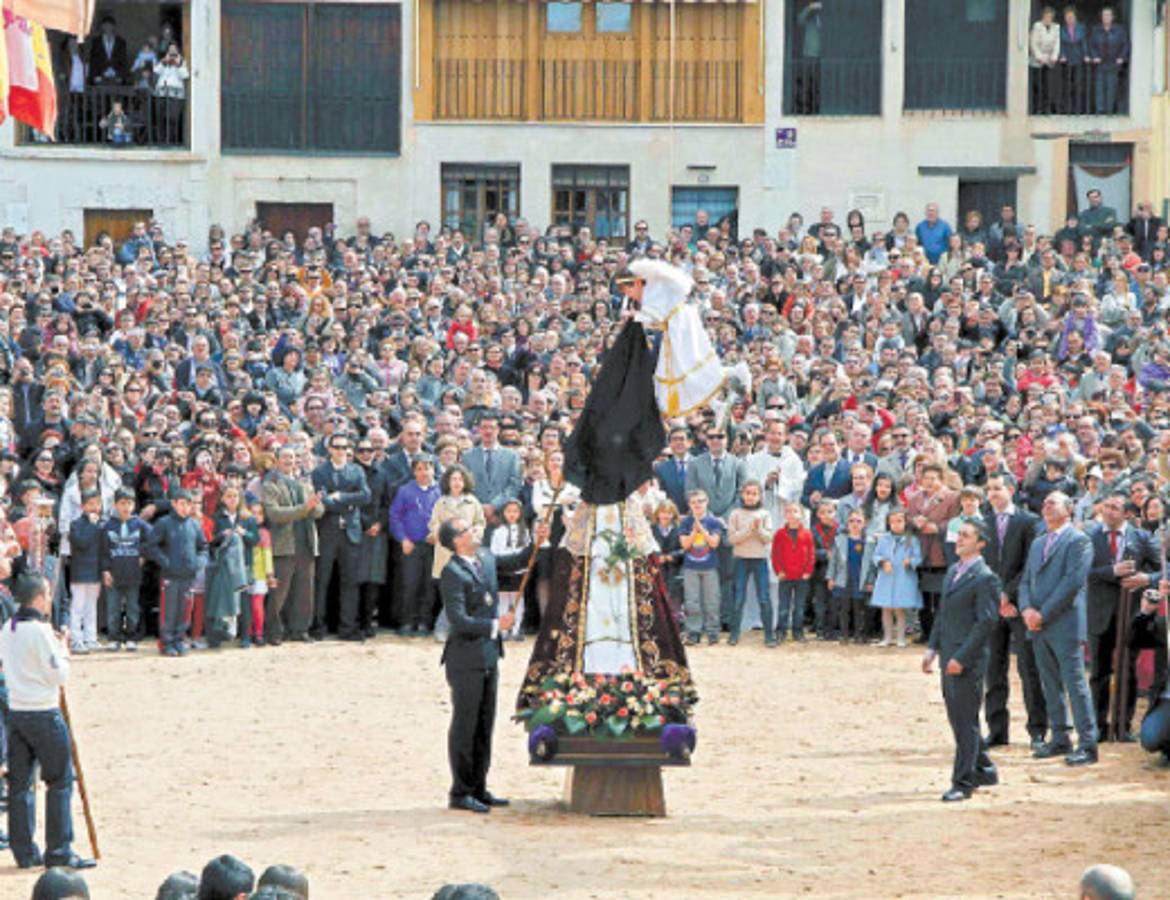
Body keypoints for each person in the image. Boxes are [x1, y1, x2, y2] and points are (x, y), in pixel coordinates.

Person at [438, 516, 540, 814]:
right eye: (468, 529)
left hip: (488, 656)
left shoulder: (484, 557)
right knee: (465, 724)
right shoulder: (452, 572)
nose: (475, 531)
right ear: (457, 540)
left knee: (484, 723)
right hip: (465, 658)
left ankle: (479, 786)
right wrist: (496, 624)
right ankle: (460, 790)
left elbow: (516, 561)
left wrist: (537, 541)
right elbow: (459, 620)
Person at [0, 573, 96, 869]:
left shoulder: (8, 627)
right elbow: (58, 674)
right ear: (39, 599)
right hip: (43, 712)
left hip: (17, 712)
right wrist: (63, 648)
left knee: (20, 785)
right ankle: (59, 850)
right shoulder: (40, 632)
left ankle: (24, 851)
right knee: (59, 782)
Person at [921, 521, 1001, 802]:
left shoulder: (986, 577)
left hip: (967, 659)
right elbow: (942, 614)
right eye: (959, 535)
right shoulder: (954, 571)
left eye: (966, 536)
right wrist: (932, 648)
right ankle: (985, 767)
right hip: (949, 655)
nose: (959, 539)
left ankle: (964, 781)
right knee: (959, 717)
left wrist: (962, 658)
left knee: (965, 720)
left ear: (980, 544)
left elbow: (986, 623)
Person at [1019, 491, 1098, 766]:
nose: (1046, 506)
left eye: (1052, 502)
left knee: (1075, 684)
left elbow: (1072, 583)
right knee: (1049, 683)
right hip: (1038, 624)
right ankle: (1061, 738)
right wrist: (1026, 609)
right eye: (1044, 503)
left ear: (1068, 509)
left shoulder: (1079, 540)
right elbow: (1026, 580)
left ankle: (1087, 743)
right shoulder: (1038, 542)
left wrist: (1042, 613)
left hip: (1063, 623)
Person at [1085, 491, 1160, 741]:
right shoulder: (1090, 536)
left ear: (1127, 512)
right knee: (1099, 672)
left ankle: (1123, 725)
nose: (1109, 511)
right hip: (1099, 613)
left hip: (1130, 613)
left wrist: (1146, 579)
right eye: (1106, 506)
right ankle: (1098, 725)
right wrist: (1112, 571)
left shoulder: (1140, 537)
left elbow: (1163, 565)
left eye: (1115, 507)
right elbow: (1082, 571)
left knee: (1127, 670)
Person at [981, 474, 1046, 751]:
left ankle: (1038, 730)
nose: (992, 494)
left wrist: (1008, 593)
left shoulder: (1028, 522)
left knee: (1028, 669)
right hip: (992, 607)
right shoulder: (982, 523)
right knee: (993, 670)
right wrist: (994, 596)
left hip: (1021, 605)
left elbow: (1032, 564)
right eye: (989, 490)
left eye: (997, 489)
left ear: (1010, 489)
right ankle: (997, 731)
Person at [310, 432, 370, 641]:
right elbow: (323, 500)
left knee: (350, 582)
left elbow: (366, 496)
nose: (341, 451)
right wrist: (347, 503)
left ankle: (348, 628)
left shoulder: (356, 470)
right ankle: (318, 626)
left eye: (345, 447)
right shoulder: (319, 472)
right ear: (329, 449)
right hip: (327, 532)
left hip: (351, 532)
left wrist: (341, 496)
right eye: (337, 447)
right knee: (322, 581)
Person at [261, 446, 323, 644]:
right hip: (283, 545)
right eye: (286, 457)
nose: (290, 460)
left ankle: (300, 630)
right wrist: (304, 509)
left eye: (293, 457)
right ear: (277, 460)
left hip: (306, 543)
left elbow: (319, 510)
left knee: (304, 591)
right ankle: (274, 632)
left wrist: (313, 508)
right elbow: (275, 514)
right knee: (279, 593)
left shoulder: (304, 483)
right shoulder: (270, 484)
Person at [685, 427, 740, 632]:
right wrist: (707, 519)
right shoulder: (696, 464)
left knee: (727, 575)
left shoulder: (737, 463)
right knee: (701, 574)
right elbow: (689, 492)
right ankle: (701, 624)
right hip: (701, 527)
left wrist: (722, 519)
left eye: (721, 436)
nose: (716, 440)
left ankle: (725, 619)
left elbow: (741, 494)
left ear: (727, 439)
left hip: (727, 529)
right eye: (711, 436)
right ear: (705, 440)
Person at [146, 488, 209, 657]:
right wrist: (165, 562)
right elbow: (151, 546)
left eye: (188, 504)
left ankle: (179, 640)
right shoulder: (164, 523)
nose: (185, 507)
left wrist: (198, 563)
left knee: (185, 610)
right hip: (170, 577)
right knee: (169, 611)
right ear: (173, 504)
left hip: (188, 576)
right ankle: (166, 642)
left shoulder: (195, 525)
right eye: (181, 503)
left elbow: (203, 548)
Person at [389, 453, 440, 636]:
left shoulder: (440, 491)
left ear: (433, 469)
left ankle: (424, 622)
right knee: (410, 584)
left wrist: (437, 535)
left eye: (427, 468)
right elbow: (395, 517)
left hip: (434, 546)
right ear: (414, 472)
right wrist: (403, 539)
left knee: (429, 585)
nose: (424, 472)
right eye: (419, 469)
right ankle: (407, 621)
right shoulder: (405, 491)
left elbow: (446, 517)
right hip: (411, 545)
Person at [100, 486, 150, 652]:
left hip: (133, 574)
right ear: (115, 505)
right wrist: (105, 570)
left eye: (129, 503)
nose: (126, 507)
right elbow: (104, 550)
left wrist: (143, 555)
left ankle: (131, 637)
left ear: (134, 505)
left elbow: (153, 539)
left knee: (132, 608)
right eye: (122, 503)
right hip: (114, 574)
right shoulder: (108, 526)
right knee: (113, 609)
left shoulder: (140, 524)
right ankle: (114, 638)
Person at [727, 481, 774, 646]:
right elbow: (732, 539)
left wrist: (759, 529)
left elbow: (767, 538)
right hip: (741, 559)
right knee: (738, 597)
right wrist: (748, 530)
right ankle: (734, 634)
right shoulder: (735, 514)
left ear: (760, 496)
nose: (751, 496)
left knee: (764, 598)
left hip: (760, 560)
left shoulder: (765, 514)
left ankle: (769, 635)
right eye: (748, 493)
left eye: (754, 493)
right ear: (742, 495)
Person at [870, 507, 922, 648]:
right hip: (886, 577)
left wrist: (910, 561)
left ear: (905, 522)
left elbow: (918, 557)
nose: (896, 524)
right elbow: (875, 555)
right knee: (886, 608)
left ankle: (901, 638)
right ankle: (887, 637)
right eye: (892, 521)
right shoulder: (884, 539)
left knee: (900, 609)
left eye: (899, 521)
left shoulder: (912, 540)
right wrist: (883, 561)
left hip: (903, 578)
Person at [679, 489, 725, 646]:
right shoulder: (685, 522)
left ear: (707, 502)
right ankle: (694, 632)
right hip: (691, 567)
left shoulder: (714, 522)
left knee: (711, 600)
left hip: (709, 567)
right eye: (693, 502)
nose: (697, 504)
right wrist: (693, 531)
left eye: (700, 501)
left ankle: (712, 632)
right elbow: (685, 545)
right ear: (689, 505)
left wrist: (703, 530)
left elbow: (714, 543)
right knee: (692, 601)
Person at [770, 500, 814, 644]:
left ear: (801, 515)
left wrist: (808, 571)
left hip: (801, 577)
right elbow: (775, 554)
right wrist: (778, 571)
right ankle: (781, 631)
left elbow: (811, 554)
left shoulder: (807, 534)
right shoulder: (779, 534)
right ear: (784, 515)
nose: (791, 514)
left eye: (795, 511)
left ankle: (798, 631)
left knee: (799, 607)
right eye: (788, 511)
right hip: (785, 576)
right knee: (783, 606)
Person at [827, 509, 872, 644]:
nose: (855, 524)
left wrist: (870, 581)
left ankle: (859, 634)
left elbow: (871, 565)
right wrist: (830, 577)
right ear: (847, 523)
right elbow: (833, 561)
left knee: (859, 609)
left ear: (864, 524)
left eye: (859, 521)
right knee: (844, 609)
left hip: (860, 580)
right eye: (851, 521)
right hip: (844, 579)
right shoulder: (840, 540)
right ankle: (844, 634)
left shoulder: (868, 543)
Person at [66, 491, 103, 654]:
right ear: (83, 506)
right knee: (77, 607)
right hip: (80, 571)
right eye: (91, 504)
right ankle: (76, 639)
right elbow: (81, 543)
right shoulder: (76, 524)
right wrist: (93, 526)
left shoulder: (101, 524)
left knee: (91, 606)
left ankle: (90, 638)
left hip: (95, 570)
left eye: (97, 504)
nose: (94, 507)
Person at [488, 499, 528, 641]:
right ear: (503, 513)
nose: (512, 514)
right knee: (503, 600)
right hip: (503, 570)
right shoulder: (498, 532)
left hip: (518, 570)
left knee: (518, 600)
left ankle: (516, 628)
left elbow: (526, 552)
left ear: (520, 513)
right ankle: (503, 630)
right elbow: (493, 551)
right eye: (509, 511)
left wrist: (524, 566)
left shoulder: (525, 532)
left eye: (515, 511)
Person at [1088, 6, 1129, 115]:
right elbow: (1091, 45)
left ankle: (1109, 110)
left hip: (1113, 62)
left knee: (1111, 86)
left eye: (1108, 15)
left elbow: (1125, 45)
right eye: (1104, 15)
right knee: (1099, 87)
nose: (1106, 17)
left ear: (1112, 17)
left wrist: (1121, 57)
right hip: (1100, 62)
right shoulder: (1096, 30)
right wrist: (1094, 56)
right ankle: (1100, 110)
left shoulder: (1119, 30)